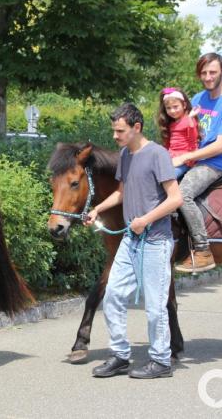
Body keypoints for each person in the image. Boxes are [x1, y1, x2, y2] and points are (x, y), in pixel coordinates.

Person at [84, 103, 183, 380]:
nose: (115, 136)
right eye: (114, 130)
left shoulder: (157, 154)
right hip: (131, 239)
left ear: (136, 128)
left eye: (120, 130)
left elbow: (175, 198)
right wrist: (98, 209)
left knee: (154, 306)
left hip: (155, 241)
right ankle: (120, 356)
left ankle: (161, 361)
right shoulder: (126, 155)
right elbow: (122, 193)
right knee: (113, 295)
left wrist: (146, 219)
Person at [172, 53, 222, 273]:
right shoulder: (197, 99)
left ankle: (203, 251)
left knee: (182, 194)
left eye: (212, 72)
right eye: (203, 73)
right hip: (191, 157)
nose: (208, 76)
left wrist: (186, 156)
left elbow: (221, 145)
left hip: (213, 163)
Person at [156, 87, 200, 179]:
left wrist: (190, 118)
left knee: (168, 176)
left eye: (175, 107)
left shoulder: (189, 120)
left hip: (184, 158)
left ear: (184, 105)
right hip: (172, 156)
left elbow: (193, 139)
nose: (172, 111)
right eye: (168, 108)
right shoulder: (171, 124)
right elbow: (168, 144)